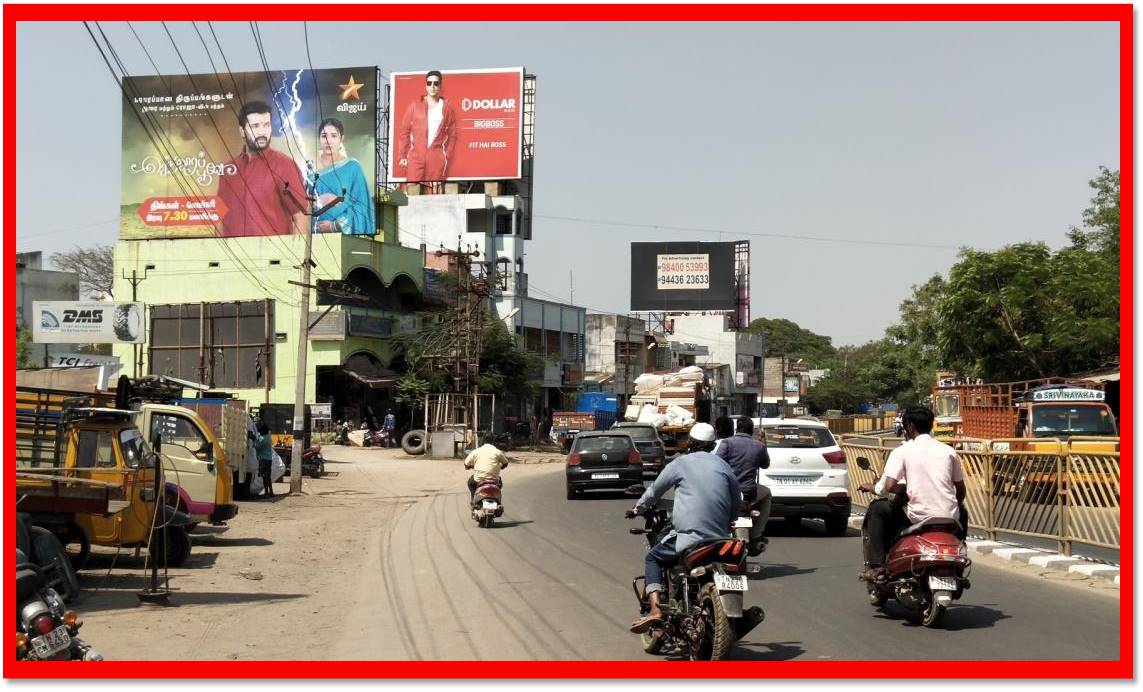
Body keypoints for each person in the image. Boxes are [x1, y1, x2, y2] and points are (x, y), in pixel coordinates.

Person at [625, 422, 740, 634]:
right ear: (711, 444)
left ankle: (655, 610)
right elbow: (736, 502)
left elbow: (654, 491)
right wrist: (729, 520)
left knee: (653, 557)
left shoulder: (680, 463)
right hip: (721, 538)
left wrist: (637, 509)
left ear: (690, 443)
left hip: (690, 537)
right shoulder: (723, 465)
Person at [857, 406, 967, 581]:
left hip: (917, 515)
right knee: (964, 512)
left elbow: (890, 486)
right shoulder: (948, 451)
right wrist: (956, 505)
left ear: (909, 426)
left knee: (877, 509)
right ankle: (959, 555)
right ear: (931, 426)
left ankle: (877, 566)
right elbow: (960, 490)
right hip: (948, 516)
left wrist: (907, 490)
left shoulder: (902, 451)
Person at [217, 100, 308, 237]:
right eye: (255, 126)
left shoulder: (285, 166)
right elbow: (219, 219)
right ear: (242, 131)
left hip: (273, 256)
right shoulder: (228, 170)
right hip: (232, 256)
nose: (262, 132)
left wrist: (295, 257)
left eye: (266, 125)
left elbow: (300, 218)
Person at [715, 417, 772, 556]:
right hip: (749, 492)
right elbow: (765, 464)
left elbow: (715, 462)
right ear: (751, 430)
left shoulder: (727, 443)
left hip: (727, 491)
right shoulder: (758, 445)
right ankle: (757, 533)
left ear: (737, 429)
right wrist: (763, 443)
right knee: (767, 493)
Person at [312, 117, 375, 235]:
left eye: (334, 136)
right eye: (324, 136)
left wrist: (334, 225)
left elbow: (362, 206)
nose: (328, 141)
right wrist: (319, 201)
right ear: (319, 139)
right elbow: (298, 205)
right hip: (313, 237)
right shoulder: (309, 170)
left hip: (344, 238)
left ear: (341, 139)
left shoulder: (352, 167)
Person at [397, 70, 459, 185]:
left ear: (440, 86)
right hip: (416, 156)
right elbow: (404, 132)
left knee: (434, 192)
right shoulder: (414, 106)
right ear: (426, 86)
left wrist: (447, 154)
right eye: (429, 83)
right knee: (412, 190)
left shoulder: (446, 108)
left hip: (436, 155)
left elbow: (453, 134)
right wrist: (402, 155)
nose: (432, 86)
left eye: (436, 83)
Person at [253, 420, 276, 498]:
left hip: (263, 459)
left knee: (264, 476)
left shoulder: (263, 438)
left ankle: (266, 492)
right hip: (268, 459)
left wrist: (253, 438)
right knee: (268, 476)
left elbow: (257, 446)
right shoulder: (267, 436)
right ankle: (271, 492)